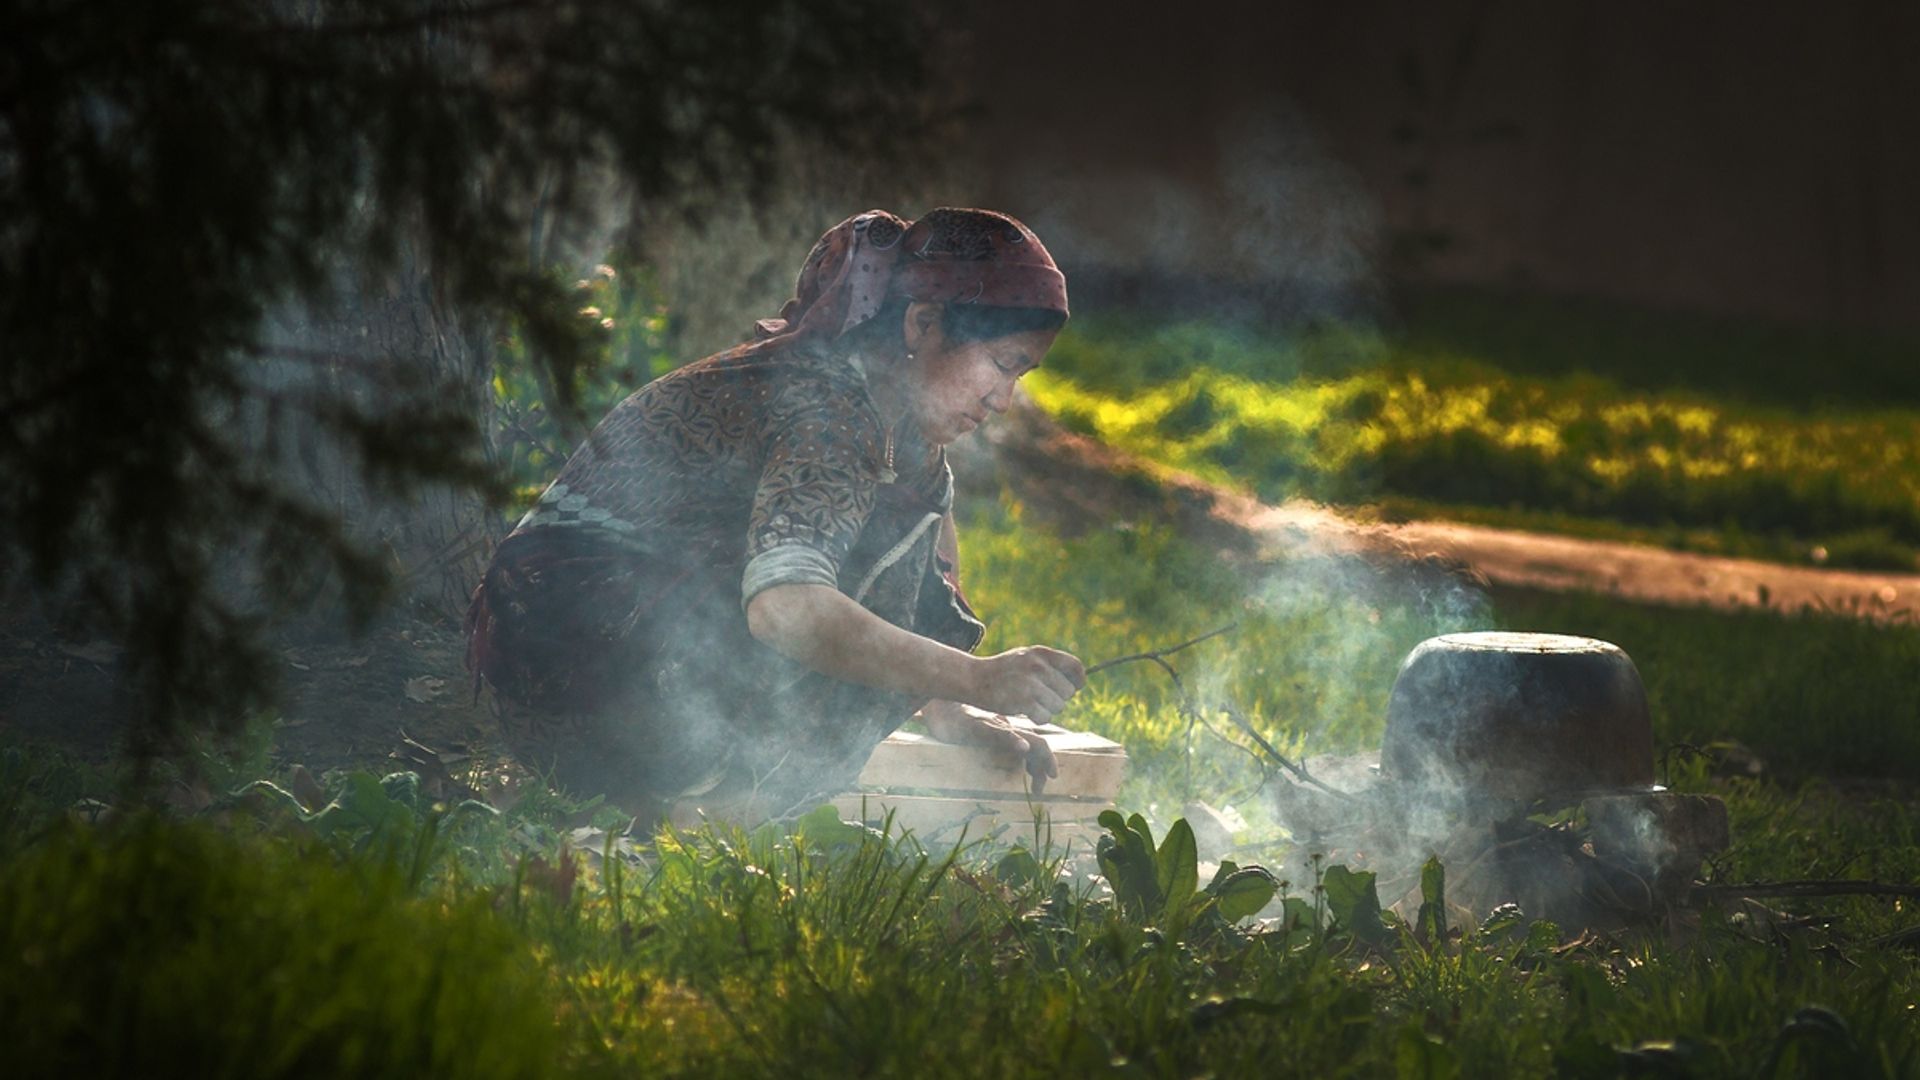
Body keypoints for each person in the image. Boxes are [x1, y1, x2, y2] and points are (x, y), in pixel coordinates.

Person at [465, 208, 1087, 815]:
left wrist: (951, 706)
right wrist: (974, 679)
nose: (1004, 400)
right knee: (853, 572)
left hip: (619, 666)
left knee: (902, 531)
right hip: (572, 675)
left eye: (1020, 376)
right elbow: (785, 608)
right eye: (1002, 365)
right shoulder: (831, 402)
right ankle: (715, 805)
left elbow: (928, 543)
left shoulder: (899, 418)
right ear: (923, 324)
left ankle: (708, 796)